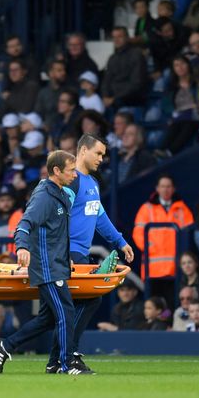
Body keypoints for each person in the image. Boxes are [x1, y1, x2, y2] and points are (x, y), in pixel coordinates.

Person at [0, 150, 94, 375]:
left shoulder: (59, 193)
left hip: (57, 264)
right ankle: (66, 365)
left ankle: (7, 345)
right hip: (48, 267)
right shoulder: (43, 197)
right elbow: (24, 224)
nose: (75, 175)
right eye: (71, 171)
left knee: (48, 318)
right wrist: (21, 247)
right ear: (56, 171)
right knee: (66, 313)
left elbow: (56, 232)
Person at [44, 133, 134, 374]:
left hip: (78, 252)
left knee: (66, 309)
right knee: (88, 300)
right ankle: (68, 356)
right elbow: (56, 215)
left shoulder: (91, 183)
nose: (102, 159)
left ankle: (56, 359)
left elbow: (100, 217)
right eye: (98, 153)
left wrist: (120, 241)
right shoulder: (72, 181)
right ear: (82, 151)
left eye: (104, 154)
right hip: (70, 253)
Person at [133, 174, 194, 308]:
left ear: (173, 189)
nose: (165, 189)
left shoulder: (182, 209)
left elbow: (189, 235)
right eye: (162, 186)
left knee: (173, 305)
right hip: (153, 270)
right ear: (157, 189)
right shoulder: (147, 209)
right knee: (154, 308)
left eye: (168, 186)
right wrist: (150, 248)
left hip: (175, 269)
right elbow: (138, 233)